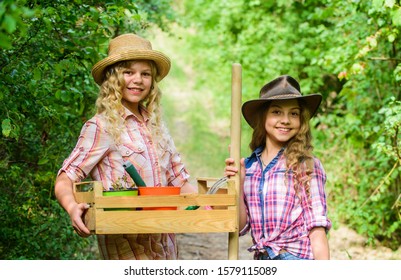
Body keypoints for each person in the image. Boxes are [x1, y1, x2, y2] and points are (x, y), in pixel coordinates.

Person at [54, 33, 197, 260]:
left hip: (164, 246)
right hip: (126, 246)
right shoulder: (101, 126)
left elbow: (179, 180)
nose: (138, 80)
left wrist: (209, 206)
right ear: (113, 78)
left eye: (145, 74)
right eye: (128, 72)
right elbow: (66, 177)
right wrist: (72, 207)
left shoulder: (157, 125)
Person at [225, 75, 331, 260]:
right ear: (263, 116)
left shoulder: (305, 165)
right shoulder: (249, 167)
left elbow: (317, 229)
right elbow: (240, 226)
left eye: (294, 113)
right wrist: (238, 184)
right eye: (276, 112)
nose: (286, 120)